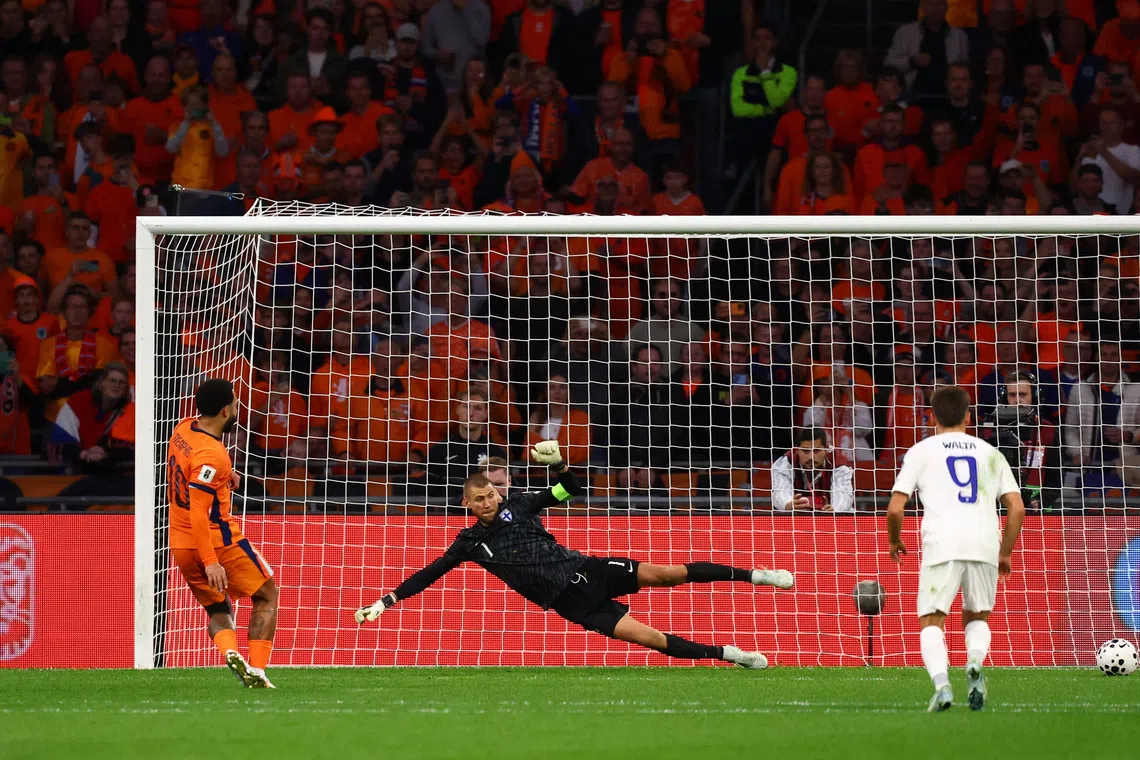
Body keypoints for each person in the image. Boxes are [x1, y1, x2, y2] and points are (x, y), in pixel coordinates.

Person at [356, 440, 793, 666]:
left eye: (492, 494)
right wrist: (387, 600)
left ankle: (757, 575)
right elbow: (430, 574)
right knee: (652, 639)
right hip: (571, 604)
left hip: (588, 569)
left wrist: (560, 465)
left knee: (669, 573)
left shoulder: (521, 504)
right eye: (481, 499)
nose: (489, 501)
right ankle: (732, 656)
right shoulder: (469, 544)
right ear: (468, 504)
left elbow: (572, 490)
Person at [886, 385, 1026, 712]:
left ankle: (943, 686)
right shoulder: (991, 453)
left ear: (932, 416)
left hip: (942, 544)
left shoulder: (921, 451)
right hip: (984, 543)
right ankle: (975, 663)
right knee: (977, 615)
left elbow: (895, 508)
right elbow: (1017, 508)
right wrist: (1004, 553)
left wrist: (895, 540)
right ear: (968, 416)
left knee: (932, 620)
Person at [166, 378, 279, 688]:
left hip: (179, 543)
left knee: (217, 607)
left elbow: (195, 470)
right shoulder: (212, 456)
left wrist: (228, 474)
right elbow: (199, 513)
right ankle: (257, 671)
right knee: (267, 593)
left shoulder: (183, 428)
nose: (238, 409)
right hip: (216, 541)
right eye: (236, 405)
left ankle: (231, 652)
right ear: (226, 410)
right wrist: (211, 560)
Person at [770, 428, 855, 513]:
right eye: (806, 451)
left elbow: (843, 494)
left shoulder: (839, 464)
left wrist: (834, 510)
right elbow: (780, 492)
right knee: (782, 511)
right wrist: (789, 505)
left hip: (832, 521)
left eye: (816, 451)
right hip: (795, 518)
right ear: (797, 451)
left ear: (826, 450)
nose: (811, 457)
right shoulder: (784, 463)